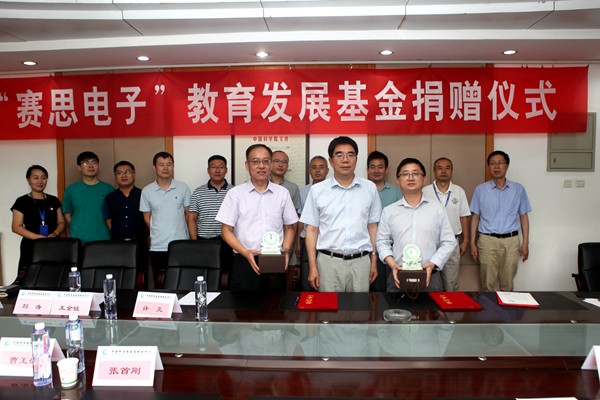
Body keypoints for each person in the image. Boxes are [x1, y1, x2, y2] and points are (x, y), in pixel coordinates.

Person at [300, 136, 382, 293]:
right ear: (331, 161)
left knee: (359, 307)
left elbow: (372, 226)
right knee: (329, 307)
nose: (345, 160)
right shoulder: (317, 190)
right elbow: (311, 230)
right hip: (328, 262)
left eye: (350, 155)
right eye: (339, 155)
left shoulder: (370, 188)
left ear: (356, 159)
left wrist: (373, 261)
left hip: (361, 262)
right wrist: (312, 267)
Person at [216, 144, 298, 292]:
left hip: (274, 260)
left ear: (271, 165)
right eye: (255, 161)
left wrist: (286, 249)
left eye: (266, 161)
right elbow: (226, 230)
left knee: (275, 304)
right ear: (247, 165)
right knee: (243, 305)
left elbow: (289, 227)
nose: (261, 166)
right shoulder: (235, 194)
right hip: (244, 260)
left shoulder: (282, 193)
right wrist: (245, 252)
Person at [376, 158, 456, 292]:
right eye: (405, 174)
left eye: (415, 173)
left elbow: (449, 241)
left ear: (424, 179)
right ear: (398, 181)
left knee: (431, 307)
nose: (410, 177)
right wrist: (393, 264)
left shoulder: (437, 209)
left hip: (430, 276)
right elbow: (381, 242)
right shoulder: (389, 211)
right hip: (398, 275)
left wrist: (433, 264)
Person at [470, 150, 531, 292]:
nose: (496, 166)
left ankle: (507, 307)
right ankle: (487, 307)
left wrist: (525, 242)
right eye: (493, 163)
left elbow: (523, 216)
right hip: (487, 241)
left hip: (511, 241)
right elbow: (475, 217)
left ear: (507, 166)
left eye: (500, 163)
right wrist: (472, 243)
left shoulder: (518, 189)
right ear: (489, 167)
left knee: (507, 283)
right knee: (486, 283)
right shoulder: (480, 190)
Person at [140, 152, 191, 285]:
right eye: (161, 164)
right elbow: (146, 216)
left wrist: (178, 228)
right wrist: (158, 229)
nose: (165, 168)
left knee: (182, 282)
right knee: (160, 282)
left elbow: (188, 214)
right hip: (158, 245)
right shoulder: (147, 191)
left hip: (180, 244)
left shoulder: (183, 187)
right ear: (154, 167)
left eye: (169, 164)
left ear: (173, 166)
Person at [422, 157, 470, 292]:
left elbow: (463, 217)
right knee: (429, 283)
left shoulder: (459, 191)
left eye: (447, 168)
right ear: (434, 171)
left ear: (452, 170)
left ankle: (450, 306)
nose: (443, 171)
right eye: (440, 168)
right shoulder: (425, 191)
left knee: (450, 284)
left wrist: (466, 240)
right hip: (429, 242)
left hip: (451, 242)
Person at [11, 165, 65, 272]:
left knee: (53, 274)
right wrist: (36, 237)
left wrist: (55, 233)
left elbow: (61, 222)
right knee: (29, 276)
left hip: (53, 244)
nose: (40, 181)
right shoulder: (22, 201)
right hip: (31, 246)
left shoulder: (53, 200)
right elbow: (16, 227)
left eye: (43, 178)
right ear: (28, 180)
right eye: (35, 178)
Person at [103, 161, 148, 285]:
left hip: (139, 243)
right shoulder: (110, 198)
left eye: (127, 172)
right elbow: (109, 221)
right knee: (119, 278)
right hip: (117, 244)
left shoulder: (144, 195)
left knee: (141, 278)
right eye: (120, 173)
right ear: (115, 176)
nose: (124, 175)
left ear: (134, 175)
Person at [367, 150, 403, 291]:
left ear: (386, 170)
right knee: (369, 287)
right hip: (367, 245)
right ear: (367, 170)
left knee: (389, 285)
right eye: (373, 167)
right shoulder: (363, 190)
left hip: (390, 245)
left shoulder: (395, 191)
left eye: (380, 167)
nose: (376, 170)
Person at [62, 151, 114, 245]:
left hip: (104, 239)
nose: (91, 166)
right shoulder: (71, 190)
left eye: (94, 162)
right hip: (79, 240)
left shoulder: (109, 189)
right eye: (86, 163)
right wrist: (79, 229)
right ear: (79, 167)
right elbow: (67, 215)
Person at [296, 156, 329, 291]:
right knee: (307, 276)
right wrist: (298, 242)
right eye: (314, 167)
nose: (317, 170)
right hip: (307, 239)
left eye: (321, 167)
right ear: (309, 171)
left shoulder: (332, 190)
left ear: (327, 170)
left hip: (326, 240)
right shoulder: (304, 191)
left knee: (325, 276)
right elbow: (301, 218)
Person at [270, 150, 301, 289]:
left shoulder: (292, 188)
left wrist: (292, 242)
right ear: (270, 163)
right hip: (266, 240)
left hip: (286, 237)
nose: (280, 164)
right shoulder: (261, 183)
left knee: (287, 274)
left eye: (284, 162)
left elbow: (294, 218)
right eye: (277, 161)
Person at [187, 155, 234, 240]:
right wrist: (194, 242)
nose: (217, 170)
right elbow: (192, 219)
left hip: (229, 240)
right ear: (208, 170)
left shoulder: (234, 192)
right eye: (213, 167)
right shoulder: (198, 192)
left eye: (221, 167)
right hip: (204, 240)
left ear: (226, 170)